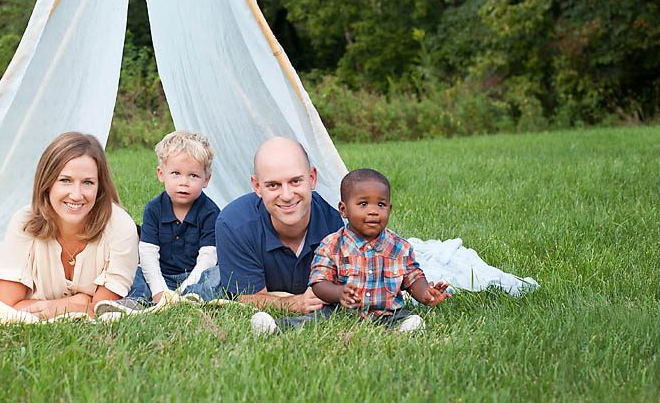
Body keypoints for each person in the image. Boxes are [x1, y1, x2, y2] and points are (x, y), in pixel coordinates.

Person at [251, 168, 451, 334]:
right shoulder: (332, 245)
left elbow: (413, 277)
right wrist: (339, 293)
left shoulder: (399, 247)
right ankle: (275, 326)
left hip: (386, 312)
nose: (373, 211)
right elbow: (319, 283)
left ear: (389, 209)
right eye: (363, 204)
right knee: (314, 320)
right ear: (343, 209)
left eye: (380, 205)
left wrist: (425, 294)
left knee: (407, 317)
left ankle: (406, 328)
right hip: (339, 311)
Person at [0, 132, 139, 319]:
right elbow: (6, 306)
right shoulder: (24, 223)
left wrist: (57, 308)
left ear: (100, 187)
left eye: (87, 182)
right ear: (47, 183)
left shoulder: (120, 227)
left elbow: (101, 310)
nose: (76, 195)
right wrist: (75, 303)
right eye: (65, 180)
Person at [216, 136, 343, 314]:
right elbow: (246, 299)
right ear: (257, 186)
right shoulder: (233, 224)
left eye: (295, 181)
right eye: (273, 185)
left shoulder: (334, 222)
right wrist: (297, 303)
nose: (286, 195)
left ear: (312, 178)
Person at [128, 131, 221, 303]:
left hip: (195, 276)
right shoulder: (154, 209)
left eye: (193, 175)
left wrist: (184, 288)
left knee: (217, 273)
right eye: (176, 173)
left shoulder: (210, 212)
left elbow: (207, 257)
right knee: (132, 271)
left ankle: (193, 297)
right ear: (161, 174)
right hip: (160, 275)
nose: (183, 182)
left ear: (206, 179)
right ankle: (138, 302)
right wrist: (159, 291)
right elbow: (148, 253)